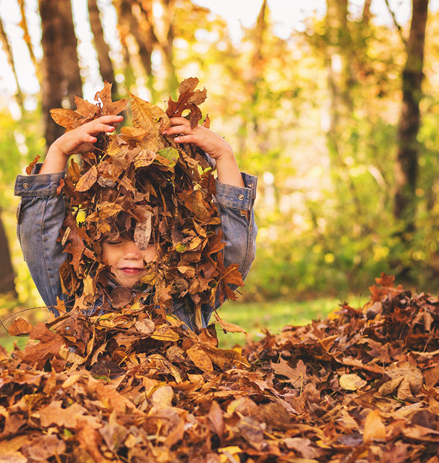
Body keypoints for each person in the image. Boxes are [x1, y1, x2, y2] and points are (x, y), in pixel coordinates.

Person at [14, 114, 257, 331]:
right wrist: (58, 152)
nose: (132, 253)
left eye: (148, 242)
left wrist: (224, 156)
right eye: (115, 241)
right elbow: (39, 236)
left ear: (171, 244)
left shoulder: (187, 296)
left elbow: (233, 249)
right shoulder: (72, 296)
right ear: (96, 246)